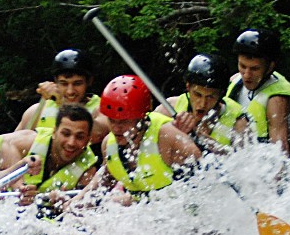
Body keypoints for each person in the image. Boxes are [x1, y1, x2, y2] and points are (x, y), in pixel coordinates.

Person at [71, 75, 202, 206]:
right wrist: (77, 200)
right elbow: (105, 177)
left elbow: (206, 180)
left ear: (142, 117)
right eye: (112, 120)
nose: (116, 128)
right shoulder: (108, 145)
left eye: (124, 121)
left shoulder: (168, 137)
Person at [225, 29, 290, 154]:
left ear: (270, 67)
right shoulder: (234, 80)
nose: (246, 75)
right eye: (243, 66)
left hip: (262, 163)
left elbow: (280, 152)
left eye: (254, 69)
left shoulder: (277, 100)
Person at [11, 104, 99, 213]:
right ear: (54, 132)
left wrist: (64, 206)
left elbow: (84, 209)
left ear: (88, 139)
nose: (71, 143)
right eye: (66, 134)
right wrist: (17, 184)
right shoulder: (26, 142)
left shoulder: (88, 170)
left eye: (79, 137)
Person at [154, 53, 248, 153]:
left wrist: (199, 136)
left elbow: (242, 164)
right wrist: (172, 130)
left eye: (210, 97)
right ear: (188, 87)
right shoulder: (168, 109)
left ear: (221, 95)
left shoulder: (238, 123)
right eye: (197, 94)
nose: (203, 103)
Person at [14, 49, 109, 145]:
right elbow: (11, 145)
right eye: (64, 83)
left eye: (77, 83)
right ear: (55, 82)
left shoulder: (103, 109)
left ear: (89, 81)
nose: (70, 91)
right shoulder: (37, 110)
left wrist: (62, 103)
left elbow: (97, 134)